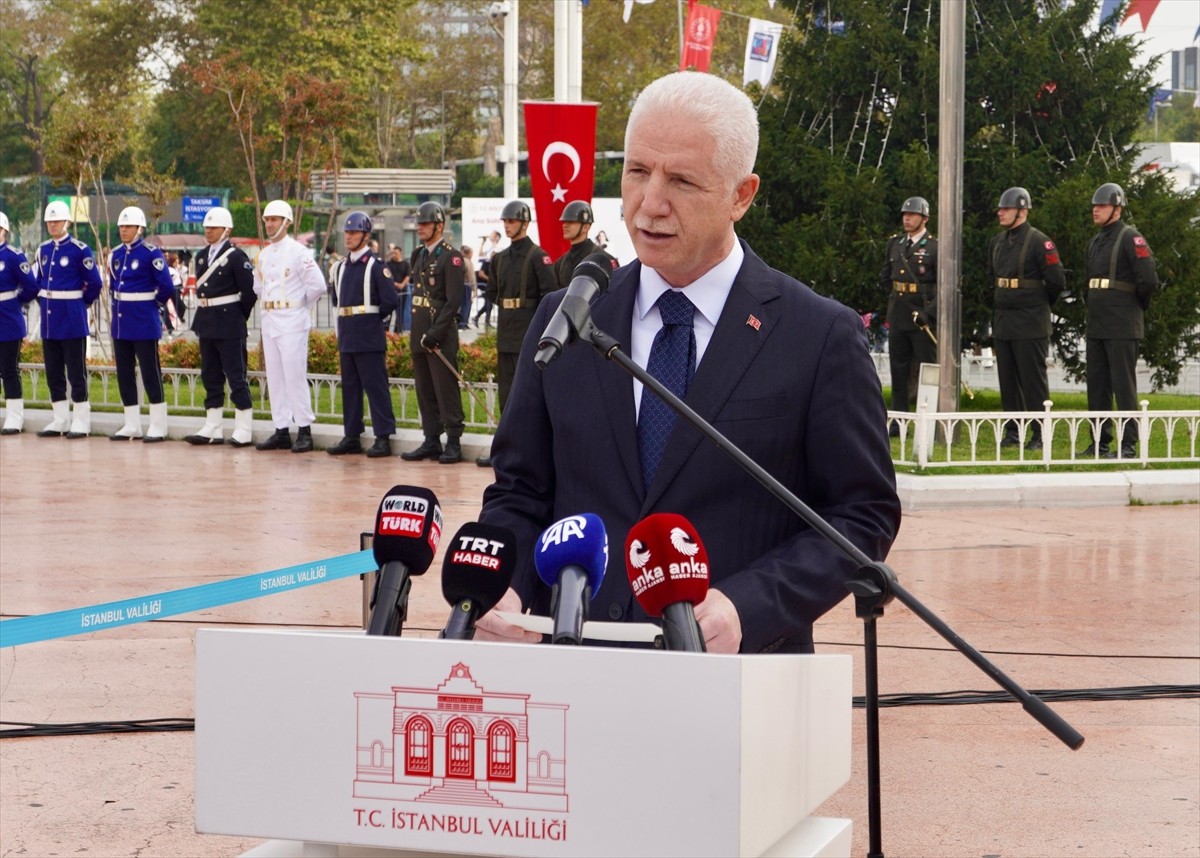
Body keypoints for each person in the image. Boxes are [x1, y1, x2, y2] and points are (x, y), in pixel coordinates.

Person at [473, 71, 900, 654]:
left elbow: (861, 514)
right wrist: (505, 586)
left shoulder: (817, 334)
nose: (650, 203)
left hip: (739, 684)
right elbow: (520, 493)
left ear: (741, 196)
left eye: (681, 180)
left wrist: (747, 605)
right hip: (579, 673)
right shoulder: (567, 318)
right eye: (638, 172)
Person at [475, 200, 556, 468]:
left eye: (512, 221)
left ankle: (528, 451)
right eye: (506, 221)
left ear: (524, 223)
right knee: (506, 394)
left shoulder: (537, 256)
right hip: (506, 332)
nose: (508, 226)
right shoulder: (500, 258)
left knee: (527, 396)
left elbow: (550, 296)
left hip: (528, 332)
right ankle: (505, 449)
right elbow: (493, 294)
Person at [1083, 182, 1159, 459]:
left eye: (1101, 206)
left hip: (1123, 322)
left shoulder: (1131, 237)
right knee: (1097, 385)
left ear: (1116, 208)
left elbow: (1148, 279)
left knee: (1123, 386)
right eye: (1094, 206)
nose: (1095, 210)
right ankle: (1099, 442)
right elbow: (1087, 283)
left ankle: (1128, 444)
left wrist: (1137, 309)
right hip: (1098, 322)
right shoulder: (1094, 242)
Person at [986, 187, 1065, 451]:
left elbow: (1056, 281)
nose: (1000, 212)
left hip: (1030, 322)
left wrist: (1035, 304)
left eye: (1005, 209)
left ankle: (1040, 433)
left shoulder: (1039, 242)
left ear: (1022, 210)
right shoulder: (997, 242)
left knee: (1033, 382)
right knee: (1008, 382)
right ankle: (1013, 431)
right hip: (1005, 322)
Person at [252, 199, 326, 453]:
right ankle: (281, 429)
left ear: (286, 222)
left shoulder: (298, 252)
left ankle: (304, 429)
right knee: (274, 376)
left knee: (294, 375)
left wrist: (300, 305)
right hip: (270, 319)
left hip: (292, 318)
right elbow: (258, 288)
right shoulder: (262, 255)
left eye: (274, 219)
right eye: (267, 220)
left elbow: (318, 285)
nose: (269, 224)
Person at [326, 211, 398, 458]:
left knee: (376, 386)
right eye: (347, 232)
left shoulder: (376, 266)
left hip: (368, 335)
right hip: (347, 334)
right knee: (350, 387)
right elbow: (336, 300)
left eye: (354, 232)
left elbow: (390, 300)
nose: (349, 236)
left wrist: (372, 321)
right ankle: (352, 435)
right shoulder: (340, 268)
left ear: (366, 236)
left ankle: (383, 436)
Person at [399, 201, 466, 465]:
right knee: (424, 388)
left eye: (426, 224)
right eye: (419, 224)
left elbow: (452, 303)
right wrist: (420, 334)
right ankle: (431, 439)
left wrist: (435, 333)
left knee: (445, 388)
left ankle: (453, 440)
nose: (421, 228)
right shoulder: (418, 255)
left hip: (441, 334)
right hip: (419, 330)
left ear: (439, 225)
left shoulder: (452, 257)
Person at [184, 206, 257, 447]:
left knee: (236, 375)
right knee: (210, 375)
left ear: (227, 230)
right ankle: (213, 425)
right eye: (207, 227)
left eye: (214, 227)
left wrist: (237, 316)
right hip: (207, 320)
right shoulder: (202, 255)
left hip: (229, 321)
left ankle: (243, 426)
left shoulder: (236, 257)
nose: (209, 231)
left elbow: (249, 292)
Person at [33, 200, 103, 438]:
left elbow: (95, 283)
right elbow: (39, 282)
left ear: (67, 223)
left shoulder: (80, 249)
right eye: (49, 222)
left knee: (76, 371)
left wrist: (81, 304)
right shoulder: (42, 250)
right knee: (53, 371)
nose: (52, 225)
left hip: (72, 318)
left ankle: (81, 420)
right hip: (50, 320)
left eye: (56, 221)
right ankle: (60, 419)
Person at [106, 206, 177, 442]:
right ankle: (132, 423)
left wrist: (151, 305)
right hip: (121, 322)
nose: (124, 230)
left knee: (150, 372)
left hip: (144, 321)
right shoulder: (115, 254)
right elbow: (113, 287)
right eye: (121, 227)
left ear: (139, 228)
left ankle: (158, 424)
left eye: (128, 226)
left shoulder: (151, 253)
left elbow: (166, 286)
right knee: (124, 373)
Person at [877, 195, 938, 433]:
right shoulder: (895, 244)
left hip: (922, 318)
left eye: (912, 215)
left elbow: (944, 287)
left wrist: (929, 313)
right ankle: (898, 423)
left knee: (927, 370)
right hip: (900, 314)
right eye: (904, 214)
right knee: (898, 370)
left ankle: (929, 422)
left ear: (924, 218)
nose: (907, 218)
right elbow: (886, 275)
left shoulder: (934, 247)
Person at [0, 211, 39, 435]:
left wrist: (16, 302)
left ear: (4, 231)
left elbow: (31, 287)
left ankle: (14, 417)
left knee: (9, 370)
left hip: (8, 321)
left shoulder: (14, 256)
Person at [553, 200, 615, 289]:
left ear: (586, 227)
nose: (564, 225)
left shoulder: (603, 259)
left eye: (570, 222)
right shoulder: (560, 263)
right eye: (564, 221)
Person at [473, 230, 501, 329]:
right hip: (485, 283)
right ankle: (484, 321)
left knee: (488, 303)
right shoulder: (488, 255)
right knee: (488, 302)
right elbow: (481, 254)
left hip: (489, 282)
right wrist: (483, 242)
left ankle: (478, 318)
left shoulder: (497, 248)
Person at [385, 246, 411, 334]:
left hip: (403, 290)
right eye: (392, 253)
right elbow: (387, 275)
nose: (394, 255)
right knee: (391, 311)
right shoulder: (388, 264)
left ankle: (399, 329)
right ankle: (388, 330)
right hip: (392, 290)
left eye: (396, 253)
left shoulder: (406, 264)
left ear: (400, 253)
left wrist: (402, 284)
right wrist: (394, 283)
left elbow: (408, 276)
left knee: (401, 311)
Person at [459, 245, 476, 330]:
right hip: (466, 286)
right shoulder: (467, 262)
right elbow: (471, 276)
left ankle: (462, 323)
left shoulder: (461, 261)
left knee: (462, 305)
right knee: (466, 305)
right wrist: (474, 289)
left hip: (460, 286)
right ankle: (463, 323)